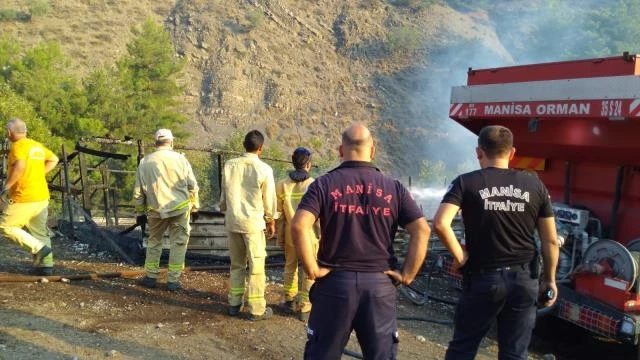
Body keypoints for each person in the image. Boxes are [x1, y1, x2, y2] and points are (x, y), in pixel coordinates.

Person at [291, 123, 431, 359]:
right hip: (379, 287)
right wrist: (407, 274)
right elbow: (422, 230)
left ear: (340, 150)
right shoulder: (393, 187)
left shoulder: (324, 184)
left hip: (335, 285)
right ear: (372, 150)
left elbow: (298, 225)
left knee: (321, 354)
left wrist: (312, 269)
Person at [433, 125, 560, 360]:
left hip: (483, 279)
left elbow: (441, 223)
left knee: (463, 347)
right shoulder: (536, 186)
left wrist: (461, 257)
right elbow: (551, 240)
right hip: (524, 280)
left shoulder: (466, 183)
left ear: (478, 152)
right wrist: (550, 279)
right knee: (514, 353)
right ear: (512, 153)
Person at [219, 129, 277, 321]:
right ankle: (256, 308)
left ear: (244, 145)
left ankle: (234, 304)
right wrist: (271, 220)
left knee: (236, 265)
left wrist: (224, 209)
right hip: (253, 225)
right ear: (260, 148)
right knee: (256, 267)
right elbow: (268, 201)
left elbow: (224, 195)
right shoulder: (264, 170)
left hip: (233, 222)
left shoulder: (229, 165)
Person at [133, 128, 199, 291]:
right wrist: (195, 207)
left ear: (156, 142)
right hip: (180, 209)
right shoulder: (181, 160)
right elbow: (192, 185)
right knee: (178, 243)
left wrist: (140, 212)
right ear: (171, 142)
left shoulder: (145, 162)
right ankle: (173, 281)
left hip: (156, 210)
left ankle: (150, 277)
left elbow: (138, 191)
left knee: (154, 242)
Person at [0, 118, 59, 276]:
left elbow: (20, 166)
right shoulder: (36, 146)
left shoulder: (18, 146)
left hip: (24, 196)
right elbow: (54, 159)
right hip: (41, 196)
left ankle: (39, 249)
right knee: (39, 232)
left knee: (6, 227)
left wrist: (6, 187)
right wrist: (38, 175)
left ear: (9, 132)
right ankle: (45, 266)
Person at [275, 146, 319, 322]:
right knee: (309, 268)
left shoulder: (282, 184)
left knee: (290, 265)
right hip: (309, 234)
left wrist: (280, 234)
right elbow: (320, 215)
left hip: (290, 233)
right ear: (308, 164)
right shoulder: (314, 184)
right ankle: (305, 306)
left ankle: (289, 299)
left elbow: (278, 214)